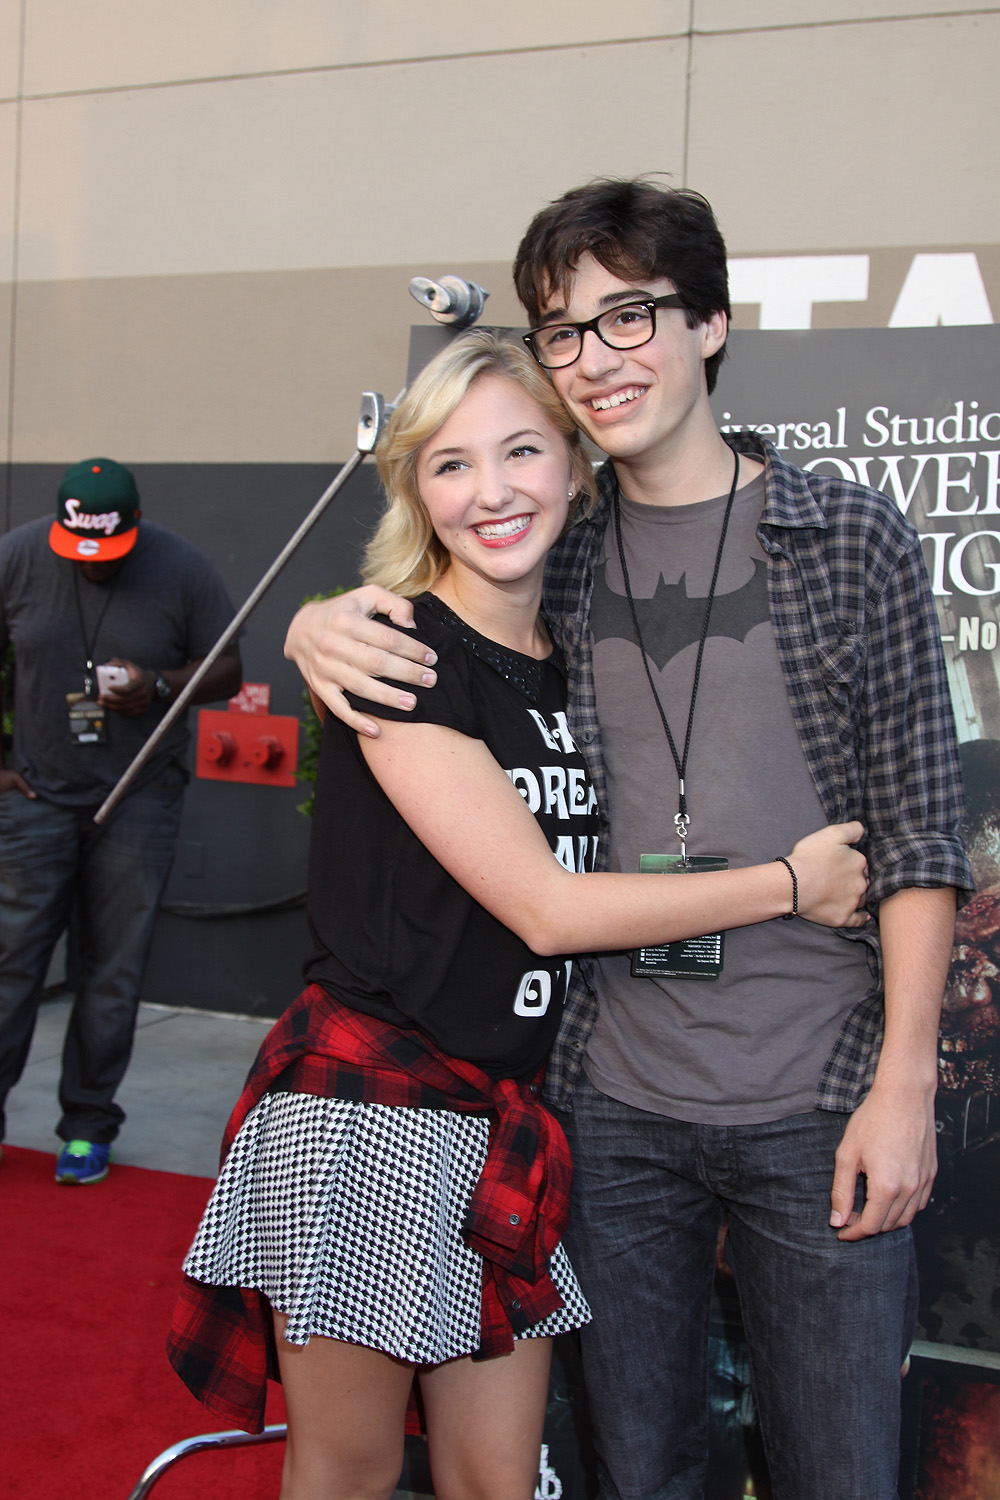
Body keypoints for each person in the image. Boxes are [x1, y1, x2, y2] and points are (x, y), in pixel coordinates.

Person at [283, 180, 974, 1500]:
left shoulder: (851, 540)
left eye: (631, 315)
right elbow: (427, 622)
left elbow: (923, 828)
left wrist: (904, 1088)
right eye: (564, 330)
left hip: (817, 1097)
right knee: (631, 1471)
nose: (598, 358)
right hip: (605, 1109)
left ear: (711, 322)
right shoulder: (559, 547)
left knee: (840, 1469)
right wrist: (318, 623)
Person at [169, 331, 867, 1500]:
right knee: (344, 1472)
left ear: (575, 465)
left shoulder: (574, 664)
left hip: (508, 1127)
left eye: (520, 451)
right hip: (370, 1119)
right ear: (415, 490)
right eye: (449, 464)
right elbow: (545, 909)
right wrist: (792, 886)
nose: (489, 491)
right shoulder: (396, 651)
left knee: (500, 1479)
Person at [0, 457, 241, 1183]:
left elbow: (227, 667)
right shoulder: (17, 555)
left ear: (132, 526)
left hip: (139, 797)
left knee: (112, 974)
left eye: (108, 553)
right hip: (36, 797)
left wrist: (161, 685)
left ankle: (87, 1127)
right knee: (10, 967)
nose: (94, 568)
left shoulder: (182, 568)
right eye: (82, 554)